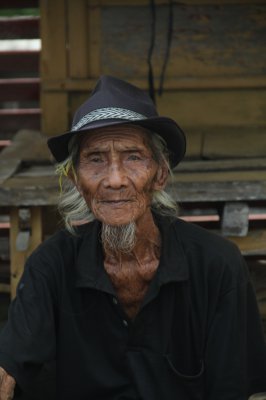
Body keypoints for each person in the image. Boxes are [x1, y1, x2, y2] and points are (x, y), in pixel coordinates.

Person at [0, 75, 265, 400]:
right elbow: (10, 363)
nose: (114, 179)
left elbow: (231, 388)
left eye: (133, 157)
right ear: (75, 178)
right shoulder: (51, 264)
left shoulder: (216, 264)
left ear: (161, 174)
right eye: (95, 159)